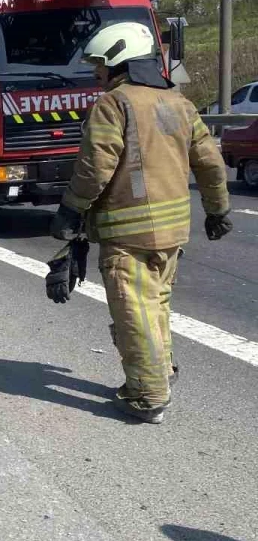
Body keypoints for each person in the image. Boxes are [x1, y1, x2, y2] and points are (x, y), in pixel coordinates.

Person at [49, 21, 231, 424]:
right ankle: (161, 372)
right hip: (173, 230)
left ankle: (147, 396)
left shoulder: (115, 103)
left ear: (117, 58)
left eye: (99, 64)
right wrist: (218, 210)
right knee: (157, 304)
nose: (96, 73)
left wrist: (71, 209)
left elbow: (97, 165)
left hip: (128, 231)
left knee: (134, 309)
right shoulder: (179, 103)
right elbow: (210, 163)